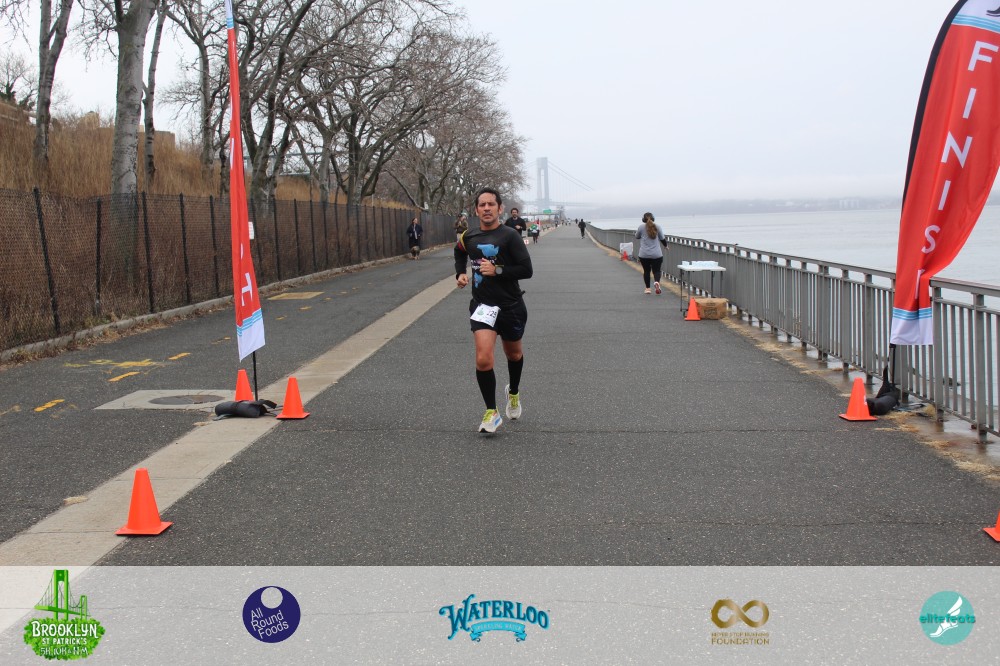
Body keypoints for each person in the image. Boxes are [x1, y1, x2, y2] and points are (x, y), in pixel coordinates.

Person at [455, 188, 533, 433]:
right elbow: (459, 251)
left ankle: (513, 392)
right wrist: (460, 273)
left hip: (511, 306)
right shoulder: (468, 235)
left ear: (500, 208)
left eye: (491, 204)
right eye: (482, 205)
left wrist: (498, 271)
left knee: (514, 355)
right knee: (483, 358)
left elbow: (526, 270)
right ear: (476, 210)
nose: (487, 208)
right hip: (483, 306)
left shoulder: (510, 236)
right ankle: (492, 412)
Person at [634, 212, 667, 294]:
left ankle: (648, 289)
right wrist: (666, 246)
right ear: (653, 218)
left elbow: (637, 236)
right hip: (656, 254)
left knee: (646, 271)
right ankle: (656, 282)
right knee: (657, 270)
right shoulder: (657, 227)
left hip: (644, 254)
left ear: (643, 219)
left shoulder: (641, 227)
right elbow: (662, 239)